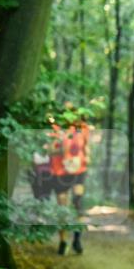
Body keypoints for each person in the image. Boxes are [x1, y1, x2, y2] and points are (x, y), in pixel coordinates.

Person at [49, 107, 91, 255]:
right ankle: (63, 241)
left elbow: (86, 147)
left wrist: (85, 158)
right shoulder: (56, 129)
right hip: (60, 172)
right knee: (63, 207)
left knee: (78, 203)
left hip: (78, 172)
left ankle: (77, 239)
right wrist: (61, 148)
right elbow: (50, 149)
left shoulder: (82, 128)